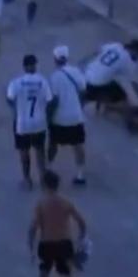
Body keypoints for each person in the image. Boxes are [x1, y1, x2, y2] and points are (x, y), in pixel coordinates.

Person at [28, 170, 87, 277]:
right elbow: (81, 222)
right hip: (64, 243)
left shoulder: (41, 204)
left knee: (44, 271)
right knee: (65, 272)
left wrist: (31, 247)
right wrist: (81, 238)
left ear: (44, 184)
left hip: (47, 243)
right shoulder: (66, 202)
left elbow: (33, 228)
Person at [7, 55, 53, 189]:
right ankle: (43, 179)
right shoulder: (43, 81)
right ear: (35, 65)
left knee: (23, 151)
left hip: (22, 122)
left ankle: (27, 180)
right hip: (39, 122)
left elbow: (10, 98)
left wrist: (18, 108)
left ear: (24, 66)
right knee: (39, 150)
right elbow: (50, 100)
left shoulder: (16, 82)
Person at [48, 46, 88, 185]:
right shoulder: (76, 72)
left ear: (55, 59)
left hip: (59, 117)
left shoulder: (55, 77)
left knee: (53, 143)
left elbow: (54, 100)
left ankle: (49, 168)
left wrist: (48, 117)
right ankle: (80, 174)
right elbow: (83, 91)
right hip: (76, 116)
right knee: (78, 144)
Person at [83, 40, 138, 121]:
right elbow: (127, 83)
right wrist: (137, 103)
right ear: (136, 51)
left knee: (111, 78)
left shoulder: (115, 45)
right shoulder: (129, 62)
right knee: (123, 92)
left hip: (85, 75)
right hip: (94, 86)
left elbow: (98, 50)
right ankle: (106, 105)